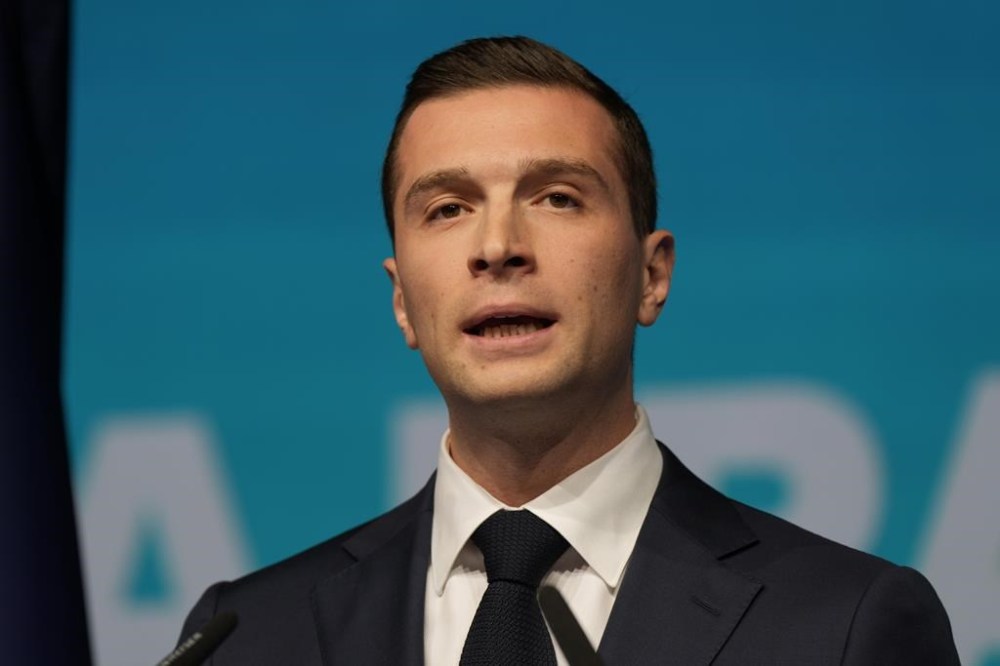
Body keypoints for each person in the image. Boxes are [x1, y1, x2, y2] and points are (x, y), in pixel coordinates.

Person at [180, 36, 959, 664]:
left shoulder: (844, 627)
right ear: (400, 301)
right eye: (448, 208)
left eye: (557, 197)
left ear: (652, 275)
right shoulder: (246, 638)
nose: (497, 247)